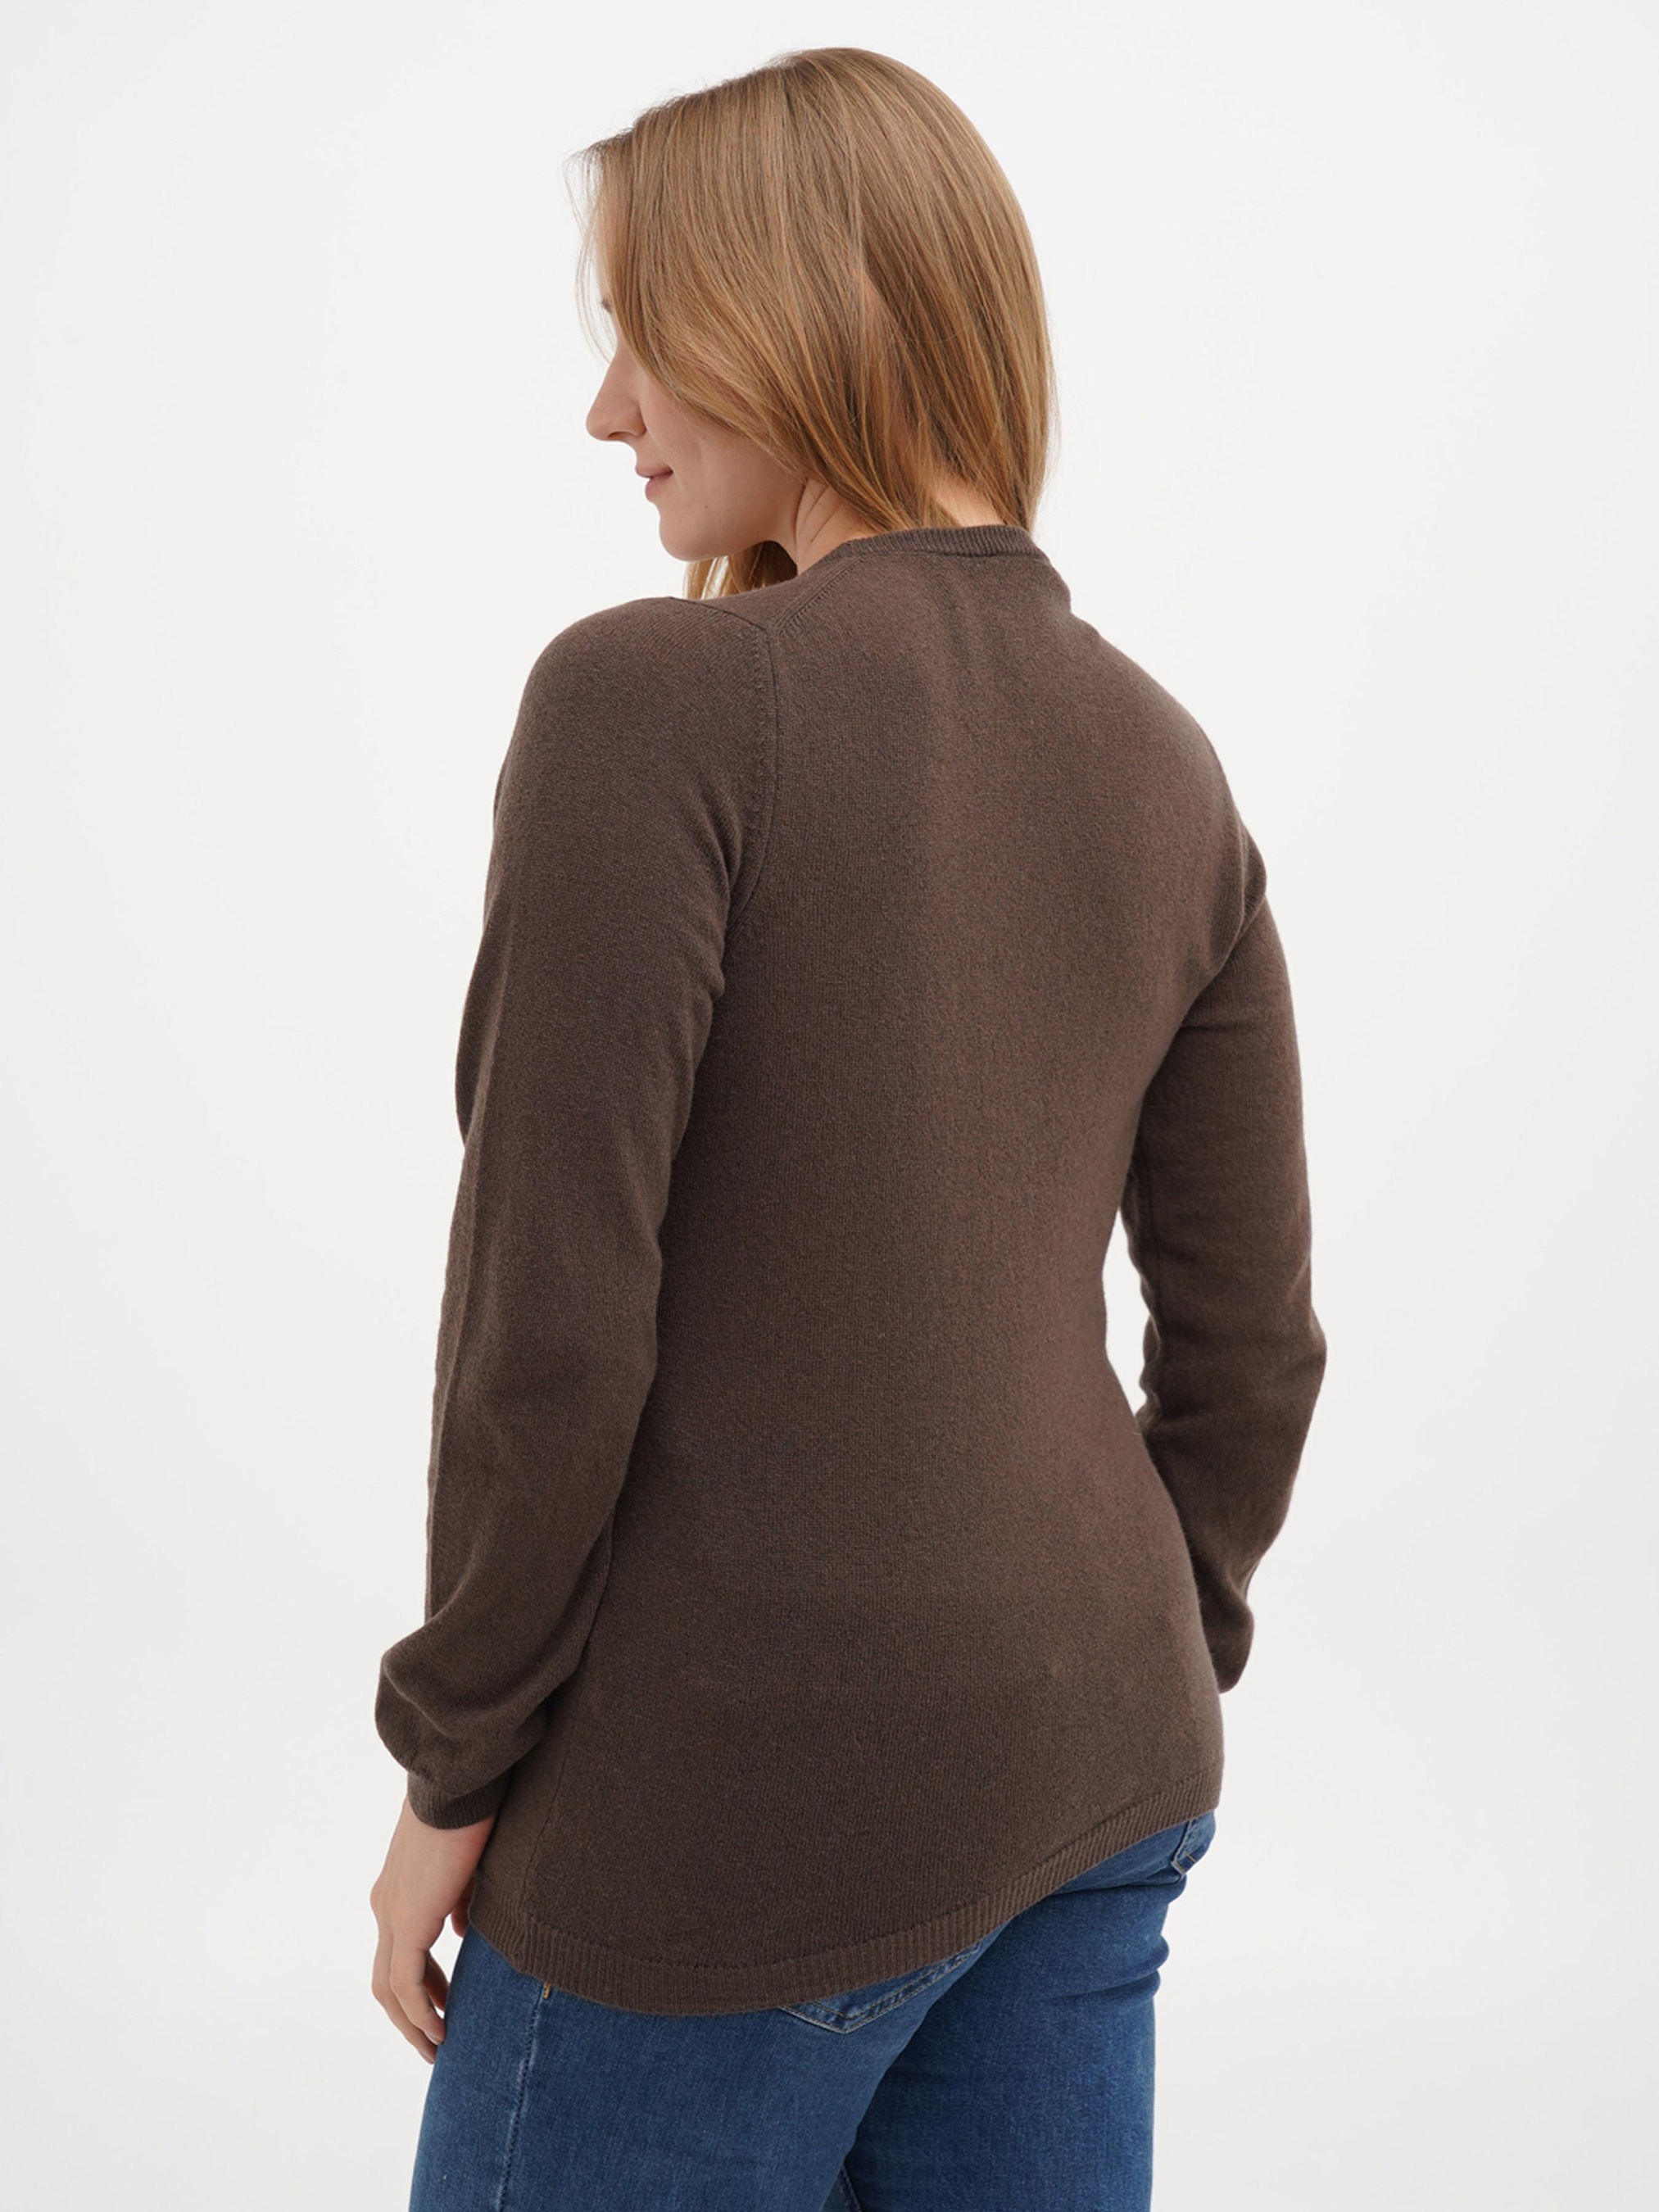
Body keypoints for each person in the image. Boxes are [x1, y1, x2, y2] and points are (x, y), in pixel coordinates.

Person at [367, 43, 1326, 2212]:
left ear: (807, 314)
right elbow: (1252, 1349)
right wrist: (1106, 1654)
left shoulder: (651, 702)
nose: (607, 408)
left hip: (726, 1819)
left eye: (650, 331)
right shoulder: (1166, 763)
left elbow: (548, 1333)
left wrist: (453, 1765)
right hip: (1095, 1771)